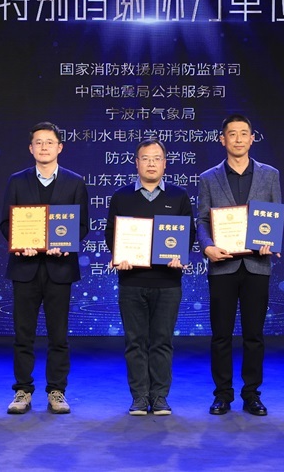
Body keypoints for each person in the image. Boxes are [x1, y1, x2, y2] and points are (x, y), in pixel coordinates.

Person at [0, 122, 89, 415]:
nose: (44, 147)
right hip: (24, 268)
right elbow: (6, 223)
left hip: (59, 269)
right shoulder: (17, 181)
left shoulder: (75, 182)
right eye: (38, 142)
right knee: (22, 334)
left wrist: (66, 244)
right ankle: (22, 390)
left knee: (58, 335)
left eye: (49, 142)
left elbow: (82, 225)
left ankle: (57, 391)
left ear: (60, 147)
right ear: (30, 148)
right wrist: (19, 243)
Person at [197, 114, 282, 417]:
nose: (238, 139)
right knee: (221, 335)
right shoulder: (208, 177)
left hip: (257, 266)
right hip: (223, 266)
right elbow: (202, 219)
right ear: (223, 140)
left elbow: (274, 215)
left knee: (254, 335)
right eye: (232, 134)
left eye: (243, 133)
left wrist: (271, 240)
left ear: (252, 138)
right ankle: (222, 395)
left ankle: (252, 394)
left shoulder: (270, 175)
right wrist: (207, 246)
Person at [106, 139, 195, 416]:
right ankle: (139, 397)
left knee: (162, 341)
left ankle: (159, 397)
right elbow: (111, 234)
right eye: (146, 158)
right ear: (137, 163)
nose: (151, 163)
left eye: (157, 158)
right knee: (135, 342)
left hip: (167, 283)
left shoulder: (179, 196)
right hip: (131, 282)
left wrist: (180, 255)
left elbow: (189, 235)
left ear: (165, 163)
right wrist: (119, 254)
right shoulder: (121, 196)